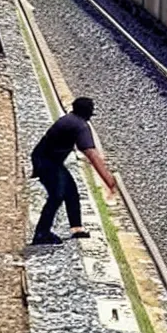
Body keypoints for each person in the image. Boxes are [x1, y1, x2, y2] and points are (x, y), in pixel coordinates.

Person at [31, 97, 116, 245]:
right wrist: (108, 180)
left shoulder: (70, 119)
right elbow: (91, 154)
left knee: (71, 192)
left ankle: (76, 228)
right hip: (46, 162)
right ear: (88, 113)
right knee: (57, 195)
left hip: (48, 160)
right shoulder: (80, 126)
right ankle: (41, 233)